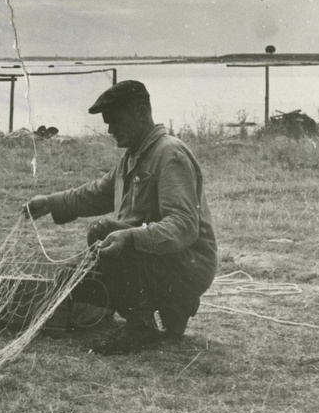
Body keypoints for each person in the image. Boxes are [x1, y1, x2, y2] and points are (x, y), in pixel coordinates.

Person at [25, 80, 217, 354]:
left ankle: (141, 326)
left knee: (101, 232)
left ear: (141, 113)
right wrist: (50, 203)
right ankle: (174, 307)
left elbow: (184, 226)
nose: (110, 129)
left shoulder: (169, 154)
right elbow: (97, 193)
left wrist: (131, 235)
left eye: (116, 121)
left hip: (188, 266)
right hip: (163, 261)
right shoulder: (134, 156)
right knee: (75, 282)